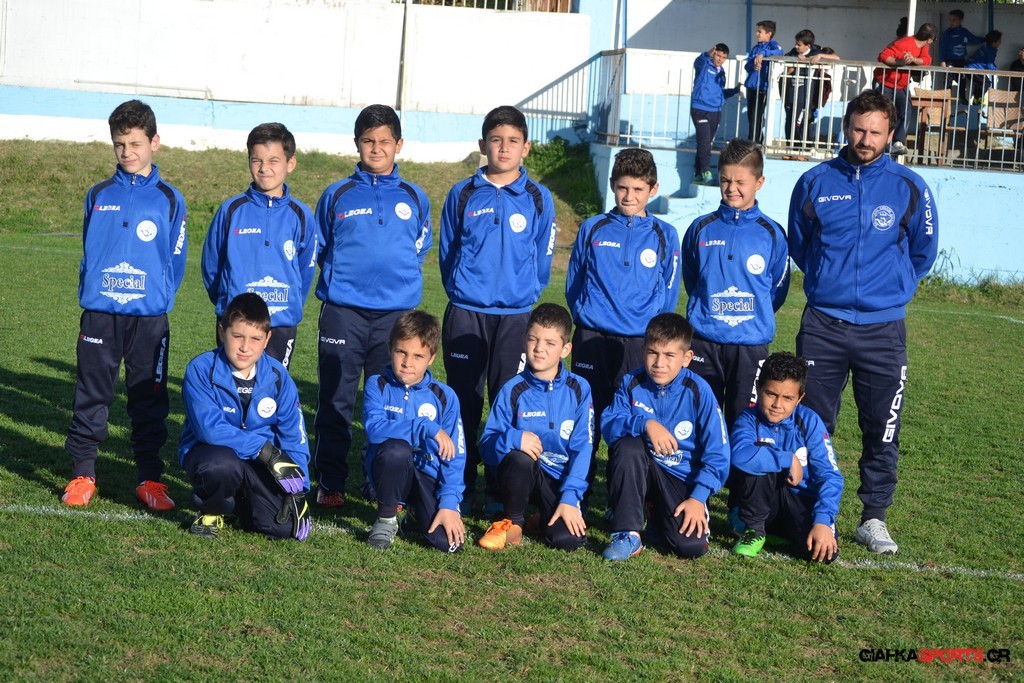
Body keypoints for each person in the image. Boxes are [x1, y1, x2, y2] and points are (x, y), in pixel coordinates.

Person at [788, 90, 939, 555]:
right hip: (824, 326)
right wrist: (829, 284)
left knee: (882, 428)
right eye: (858, 129)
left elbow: (923, 252)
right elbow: (800, 245)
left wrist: (891, 291)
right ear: (845, 127)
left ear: (890, 135)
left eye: (875, 132)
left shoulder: (909, 187)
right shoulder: (814, 182)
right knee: (812, 424)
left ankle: (873, 517)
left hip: (883, 330)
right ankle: (816, 513)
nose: (865, 139)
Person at [61, 99, 188, 511]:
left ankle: (150, 479)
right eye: (120, 144)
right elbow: (90, 249)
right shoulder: (98, 194)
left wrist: (157, 297)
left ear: (154, 142)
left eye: (135, 143)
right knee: (91, 393)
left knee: (148, 400)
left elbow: (176, 259)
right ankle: (82, 474)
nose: (127, 152)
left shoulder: (170, 199)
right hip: (100, 314)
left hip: (148, 319)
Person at [438, 105, 557, 515]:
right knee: (464, 404)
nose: (504, 148)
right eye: (496, 140)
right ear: (482, 144)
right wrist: (463, 290)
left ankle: (497, 491)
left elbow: (543, 256)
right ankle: (460, 485)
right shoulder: (463, 193)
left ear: (526, 148)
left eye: (512, 141)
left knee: (509, 405)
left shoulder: (538, 197)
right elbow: (447, 251)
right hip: (466, 313)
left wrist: (524, 293)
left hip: (516, 318)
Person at [312, 104, 432, 509]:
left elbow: (419, 246)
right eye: (368, 141)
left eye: (384, 141)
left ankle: (380, 481)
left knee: (392, 401)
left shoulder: (414, 196)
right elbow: (322, 246)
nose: (376, 148)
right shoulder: (337, 194)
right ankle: (330, 481)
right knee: (336, 399)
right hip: (343, 313)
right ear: (357, 143)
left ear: (399, 144)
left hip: (396, 318)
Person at [565, 147, 681, 490]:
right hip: (592, 339)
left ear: (653, 190)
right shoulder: (593, 228)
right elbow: (574, 283)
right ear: (612, 186)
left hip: (639, 344)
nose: (629, 196)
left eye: (638, 189)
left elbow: (669, 291)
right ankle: (578, 492)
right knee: (586, 419)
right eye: (622, 188)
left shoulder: (664, 235)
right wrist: (589, 316)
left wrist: (650, 333)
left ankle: (622, 498)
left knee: (631, 420)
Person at [179, 293, 312, 541]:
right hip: (213, 454)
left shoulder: (278, 376)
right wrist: (264, 449)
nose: (245, 347)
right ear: (222, 332)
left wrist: (299, 487)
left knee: (283, 527)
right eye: (237, 336)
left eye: (255, 339)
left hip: (258, 464)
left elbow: (294, 434)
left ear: (267, 339)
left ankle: (240, 505)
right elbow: (210, 430)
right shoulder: (201, 369)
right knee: (221, 465)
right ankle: (211, 510)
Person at [599, 313, 730, 561]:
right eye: (653, 353)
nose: (659, 363)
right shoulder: (631, 382)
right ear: (643, 350)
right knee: (627, 446)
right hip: (643, 468)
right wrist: (644, 423)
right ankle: (627, 533)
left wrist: (698, 497)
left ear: (686, 358)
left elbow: (718, 453)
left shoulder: (699, 391)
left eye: (669, 355)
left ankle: (656, 513)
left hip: (681, 476)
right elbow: (609, 424)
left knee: (689, 546)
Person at [682, 138, 789, 431]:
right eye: (725, 180)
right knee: (703, 420)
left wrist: (752, 314)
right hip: (705, 341)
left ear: (759, 182)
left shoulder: (772, 233)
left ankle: (741, 464)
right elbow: (693, 279)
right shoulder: (700, 228)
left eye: (740, 182)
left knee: (745, 422)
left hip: (750, 344)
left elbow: (777, 288)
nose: (732, 188)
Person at [201, 122, 317, 370]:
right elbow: (211, 265)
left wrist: (289, 302)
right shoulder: (231, 210)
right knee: (231, 384)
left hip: (281, 321)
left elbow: (305, 271)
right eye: (257, 160)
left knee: (272, 386)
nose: (264, 168)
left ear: (290, 163)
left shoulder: (301, 215)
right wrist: (227, 302)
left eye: (273, 161)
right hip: (237, 321)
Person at [478, 303, 593, 551]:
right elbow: (487, 447)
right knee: (520, 457)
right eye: (533, 339)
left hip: (559, 480)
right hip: (521, 476)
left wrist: (570, 496)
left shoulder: (579, 389)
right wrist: (513, 438)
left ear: (565, 349)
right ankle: (513, 524)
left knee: (567, 540)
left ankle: (542, 518)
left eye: (550, 343)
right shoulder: (512, 389)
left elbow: (584, 446)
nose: (539, 348)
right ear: (524, 340)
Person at [361, 311, 466, 552]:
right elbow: (374, 429)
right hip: (388, 469)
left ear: (431, 358)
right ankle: (386, 519)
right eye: (401, 352)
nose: (408, 362)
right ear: (390, 349)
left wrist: (449, 501)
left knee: (448, 544)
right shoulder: (377, 384)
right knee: (395, 448)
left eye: (418, 356)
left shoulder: (445, 396)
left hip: (428, 473)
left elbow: (456, 454)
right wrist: (425, 426)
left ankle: (416, 515)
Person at [729, 352, 844, 563]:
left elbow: (830, 475)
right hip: (762, 501)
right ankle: (753, 528)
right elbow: (738, 456)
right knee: (759, 452)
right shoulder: (749, 418)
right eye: (771, 394)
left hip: (798, 500)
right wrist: (786, 458)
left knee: (822, 554)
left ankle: (780, 533)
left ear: (799, 398)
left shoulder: (809, 421)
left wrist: (822, 520)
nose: (777, 404)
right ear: (758, 388)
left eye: (787, 398)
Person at [874, 23, 937, 156]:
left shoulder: (924, 46)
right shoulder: (904, 43)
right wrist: (900, 62)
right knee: (882, 112)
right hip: (886, 82)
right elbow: (883, 56)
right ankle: (879, 142)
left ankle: (897, 142)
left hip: (901, 85)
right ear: (930, 39)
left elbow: (927, 60)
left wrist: (913, 59)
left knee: (906, 110)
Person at [691, 44, 741, 185]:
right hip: (700, 109)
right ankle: (706, 171)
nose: (720, 59)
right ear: (714, 54)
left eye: (723, 57)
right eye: (718, 55)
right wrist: (707, 54)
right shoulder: (704, 66)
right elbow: (698, 62)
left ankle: (697, 174)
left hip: (716, 111)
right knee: (705, 142)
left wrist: (735, 90)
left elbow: (720, 93)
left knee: (706, 142)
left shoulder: (721, 73)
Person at [782, 30, 841, 146]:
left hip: (806, 93)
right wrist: (795, 62)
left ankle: (803, 147)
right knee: (789, 119)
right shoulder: (794, 52)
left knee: (803, 120)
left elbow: (836, 58)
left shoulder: (816, 51)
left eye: (799, 45)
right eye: (796, 44)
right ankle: (790, 147)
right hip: (792, 91)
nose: (796, 46)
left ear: (808, 45)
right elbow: (787, 67)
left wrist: (820, 56)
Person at [744, 20, 784, 145]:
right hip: (751, 86)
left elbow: (779, 52)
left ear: (768, 34)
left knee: (757, 115)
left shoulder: (773, 45)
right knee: (751, 116)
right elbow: (747, 66)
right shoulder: (755, 48)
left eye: (759, 32)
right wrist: (753, 65)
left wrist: (764, 53)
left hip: (762, 87)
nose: (757, 34)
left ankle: (755, 142)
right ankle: (754, 139)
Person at [964, 30, 1003, 105]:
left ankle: (976, 101)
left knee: (979, 84)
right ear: (993, 42)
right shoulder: (991, 50)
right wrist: (996, 70)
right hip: (974, 69)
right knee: (986, 83)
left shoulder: (985, 47)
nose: (1000, 43)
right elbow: (989, 65)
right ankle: (979, 100)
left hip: (969, 67)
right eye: (999, 41)